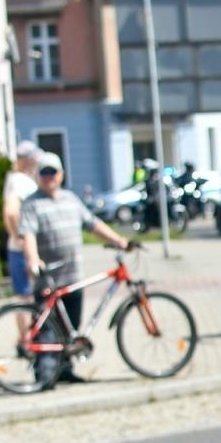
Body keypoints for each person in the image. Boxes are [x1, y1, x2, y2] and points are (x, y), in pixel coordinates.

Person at [16, 152, 135, 386]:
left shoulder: (70, 199)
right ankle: (45, 375)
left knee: (70, 327)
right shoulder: (32, 204)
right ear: (38, 176)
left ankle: (65, 370)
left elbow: (93, 224)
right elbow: (27, 234)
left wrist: (119, 241)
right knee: (48, 329)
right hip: (48, 278)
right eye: (44, 173)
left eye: (52, 172)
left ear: (61, 175)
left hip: (73, 277)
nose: (48, 177)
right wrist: (33, 259)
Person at [1, 140, 41, 310]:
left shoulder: (14, 178)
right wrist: (19, 238)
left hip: (18, 248)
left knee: (24, 297)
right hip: (23, 250)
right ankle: (28, 330)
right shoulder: (20, 181)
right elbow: (10, 212)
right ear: (28, 160)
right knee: (27, 299)